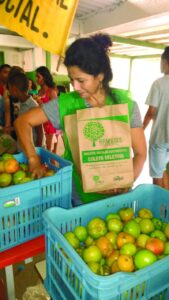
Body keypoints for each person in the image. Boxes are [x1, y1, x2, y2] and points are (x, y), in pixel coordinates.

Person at [14, 34, 146, 205]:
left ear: (100, 76)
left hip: (120, 199)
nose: (75, 87)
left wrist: (125, 181)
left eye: (81, 80)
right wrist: (33, 158)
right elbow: (22, 122)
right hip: (80, 197)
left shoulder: (126, 105)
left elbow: (141, 153)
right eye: (71, 79)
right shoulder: (67, 103)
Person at [143, 47, 169, 189]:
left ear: (165, 62)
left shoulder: (159, 83)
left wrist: (140, 130)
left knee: (157, 175)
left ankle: (160, 207)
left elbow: (151, 112)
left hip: (160, 137)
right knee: (164, 169)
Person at [8, 72, 44, 151]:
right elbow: (24, 125)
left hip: (31, 151)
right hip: (23, 149)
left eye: (9, 88)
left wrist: (38, 152)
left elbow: (40, 133)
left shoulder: (32, 106)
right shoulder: (22, 103)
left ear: (14, 89)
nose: (9, 91)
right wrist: (9, 129)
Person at [35, 66, 61, 152]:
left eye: (38, 76)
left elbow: (54, 111)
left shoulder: (51, 92)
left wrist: (41, 103)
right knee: (42, 149)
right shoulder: (39, 92)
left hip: (49, 125)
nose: (36, 79)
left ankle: (51, 164)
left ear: (44, 77)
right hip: (40, 123)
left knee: (49, 152)